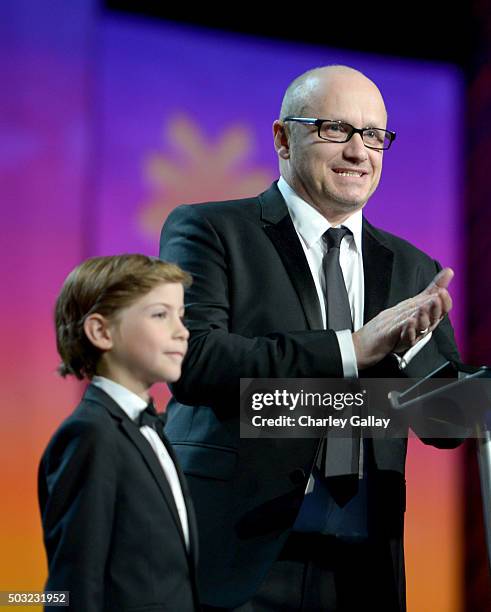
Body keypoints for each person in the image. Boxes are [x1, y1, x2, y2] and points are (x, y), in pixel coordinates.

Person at [159, 66, 461, 611]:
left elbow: (445, 429)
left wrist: (419, 353)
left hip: (364, 565)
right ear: (282, 137)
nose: (357, 151)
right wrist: (353, 349)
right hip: (236, 554)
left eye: (373, 136)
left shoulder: (416, 269)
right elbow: (195, 360)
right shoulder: (210, 230)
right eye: (333, 129)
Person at [38, 254, 200, 611]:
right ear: (101, 331)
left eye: (182, 316)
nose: (182, 331)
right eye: (160, 315)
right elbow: (73, 586)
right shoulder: (91, 435)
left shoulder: (151, 426)